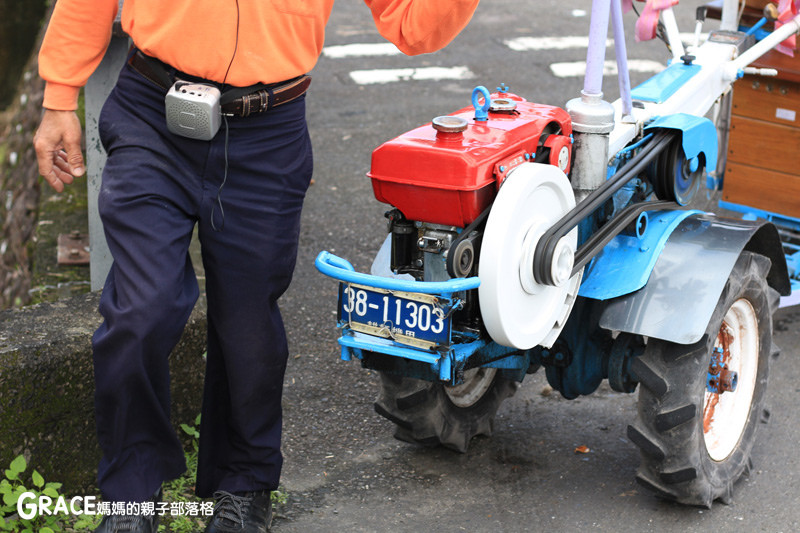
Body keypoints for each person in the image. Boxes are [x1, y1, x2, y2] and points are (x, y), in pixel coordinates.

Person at [33, 0, 480, 531]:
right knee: (141, 309)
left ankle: (243, 484)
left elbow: (412, 26)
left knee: (247, 325)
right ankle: (131, 494)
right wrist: (60, 96)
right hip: (153, 117)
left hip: (267, 135)